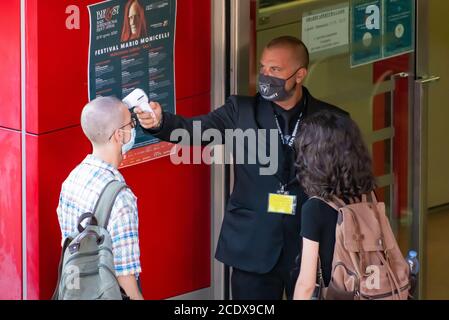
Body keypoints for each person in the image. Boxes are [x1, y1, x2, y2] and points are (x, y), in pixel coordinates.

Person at [135, 36, 348, 300]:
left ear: (300, 74)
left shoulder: (333, 120)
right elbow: (193, 132)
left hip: (309, 246)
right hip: (252, 245)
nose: (266, 76)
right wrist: (159, 122)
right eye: (263, 68)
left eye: (276, 70)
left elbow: (347, 183)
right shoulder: (241, 111)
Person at [57, 96, 144, 300]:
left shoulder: (72, 179)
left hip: (75, 292)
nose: (133, 129)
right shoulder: (121, 198)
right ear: (118, 135)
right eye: (131, 124)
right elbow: (125, 277)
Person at [293, 111, 376, 300]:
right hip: (373, 291)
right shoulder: (369, 196)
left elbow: (306, 283)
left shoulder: (315, 209)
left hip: (340, 293)